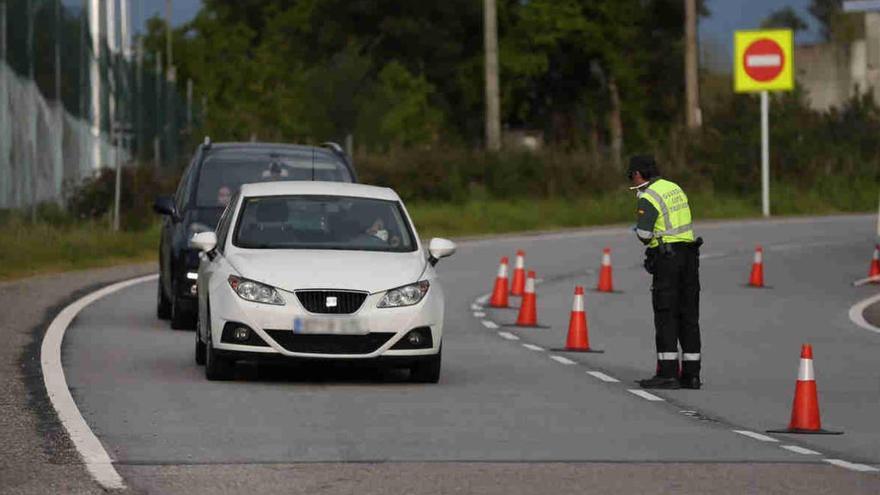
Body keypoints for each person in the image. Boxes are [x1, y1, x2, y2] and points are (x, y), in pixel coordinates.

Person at [628, 155, 703, 390]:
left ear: (638, 174)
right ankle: (691, 375)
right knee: (688, 316)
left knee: (665, 314)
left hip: (667, 259)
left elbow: (644, 235)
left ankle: (667, 373)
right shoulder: (674, 187)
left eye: (631, 175)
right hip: (690, 256)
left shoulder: (647, 196)